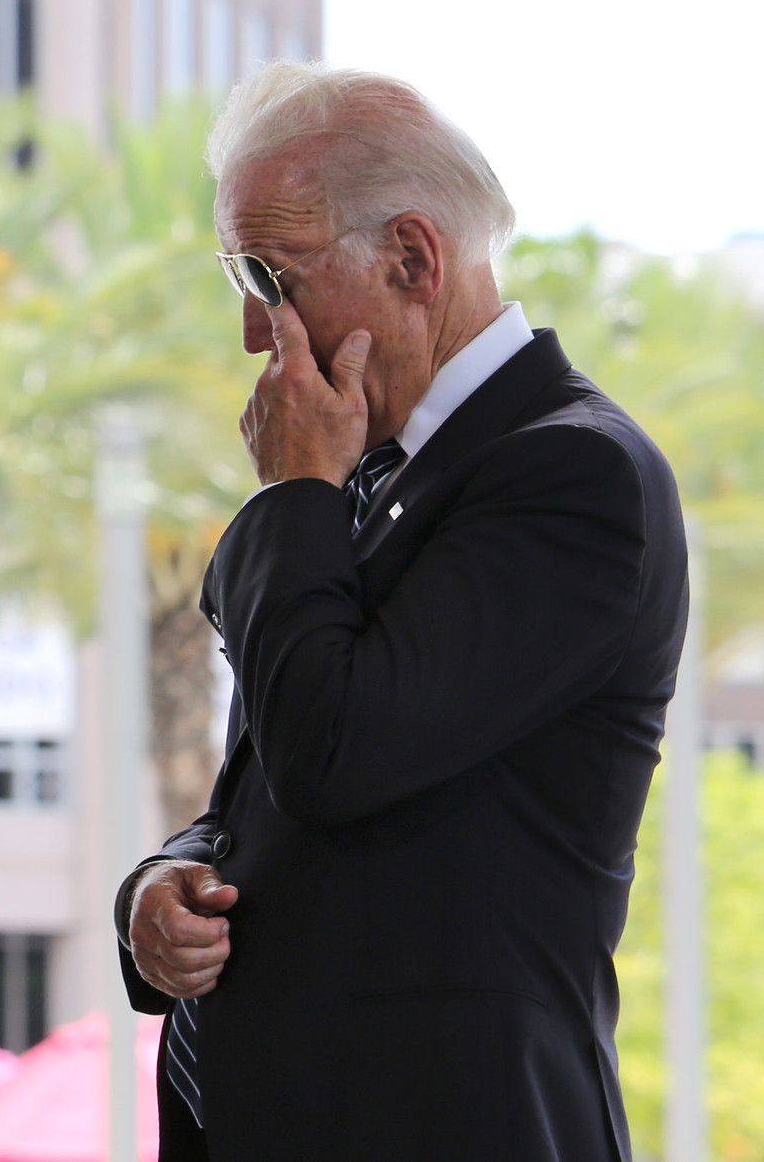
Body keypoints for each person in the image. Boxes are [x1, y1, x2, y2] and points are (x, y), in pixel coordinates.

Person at [117, 63, 687, 1162]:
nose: (250, 329)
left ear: (411, 258)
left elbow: (334, 749)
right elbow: (269, 782)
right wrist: (161, 883)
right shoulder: (370, 473)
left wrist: (290, 496)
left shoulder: (572, 473)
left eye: (269, 276)